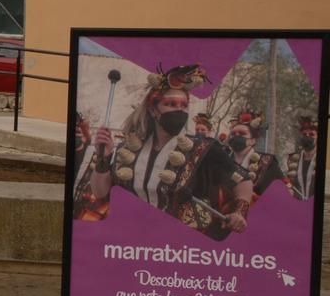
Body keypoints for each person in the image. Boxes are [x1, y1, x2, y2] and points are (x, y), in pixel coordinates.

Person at [88, 64, 253, 240]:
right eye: (171, 104)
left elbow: (243, 181)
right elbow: (100, 192)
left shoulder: (204, 148)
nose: (179, 110)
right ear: (152, 109)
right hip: (131, 240)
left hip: (180, 246)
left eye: (184, 105)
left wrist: (240, 212)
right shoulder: (127, 149)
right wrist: (103, 158)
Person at [221, 110, 283, 197]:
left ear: (253, 140)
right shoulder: (221, 160)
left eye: (242, 134)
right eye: (233, 134)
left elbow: (276, 196)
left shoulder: (267, 163)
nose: (236, 136)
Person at [287, 115, 318, 200]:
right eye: (305, 134)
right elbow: (290, 183)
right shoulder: (293, 159)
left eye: (312, 134)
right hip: (298, 206)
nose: (307, 136)